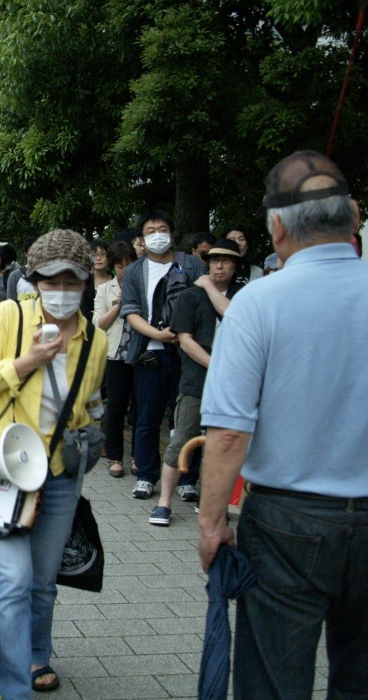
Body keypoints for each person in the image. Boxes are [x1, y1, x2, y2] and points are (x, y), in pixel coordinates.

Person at [198, 150, 368, 699]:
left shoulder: (256, 304)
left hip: (288, 522)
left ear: (276, 227)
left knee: (274, 680)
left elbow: (228, 432)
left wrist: (211, 525)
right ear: (355, 218)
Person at [0, 229, 107, 699]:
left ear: (86, 283)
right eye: (51, 279)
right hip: (3, 468)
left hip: (61, 476)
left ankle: (35, 654)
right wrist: (26, 362)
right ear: (35, 279)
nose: (62, 289)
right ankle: (10, 686)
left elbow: (86, 405)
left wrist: (90, 436)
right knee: (13, 578)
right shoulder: (10, 316)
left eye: (73, 280)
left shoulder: (96, 341)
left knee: (43, 581)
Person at [149, 238, 244, 526]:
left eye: (226, 260)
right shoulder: (190, 296)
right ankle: (164, 502)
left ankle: (211, 504)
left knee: (222, 444)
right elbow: (185, 341)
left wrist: (208, 287)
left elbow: (233, 314)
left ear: (235, 265)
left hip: (235, 384)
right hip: (195, 380)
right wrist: (216, 366)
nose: (219, 265)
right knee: (182, 439)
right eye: (214, 260)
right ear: (207, 263)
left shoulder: (244, 296)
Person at [120, 210, 204, 500]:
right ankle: (146, 475)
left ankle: (187, 478)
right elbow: (130, 310)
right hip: (150, 354)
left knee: (186, 420)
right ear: (142, 239)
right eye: (151, 230)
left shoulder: (191, 265)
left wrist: (183, 334)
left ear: (172, 232)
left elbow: (201, 305)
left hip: (188, 354)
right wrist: (156, 334)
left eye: (163, 228)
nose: (158, 234)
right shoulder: (134, 271)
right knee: (147, 418)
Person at [93, 239, 137, 478]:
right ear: (113, 266)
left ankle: (137, 458)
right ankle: (114, 457)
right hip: (116, 353)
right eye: (120, 265)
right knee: (116, 407)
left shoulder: (144, 286)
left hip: (141, 352)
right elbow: (99, 323)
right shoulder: (104, 290)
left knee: (140, 408)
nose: (125, 269)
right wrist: (120, 305)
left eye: (129, 264)